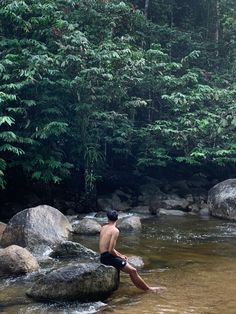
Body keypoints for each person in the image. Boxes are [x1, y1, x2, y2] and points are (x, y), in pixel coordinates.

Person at [99, 209, 162, 293]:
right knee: (133, 271)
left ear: (108, 218)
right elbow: (110, 250)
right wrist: (119, 256)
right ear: (117, 219)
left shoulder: (103, 227)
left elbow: (107, 249)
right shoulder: (115, 230)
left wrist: (120, 255)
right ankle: (148, 289)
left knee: (130, 268)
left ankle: (143, 288)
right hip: (108, 258)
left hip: (103, 256)